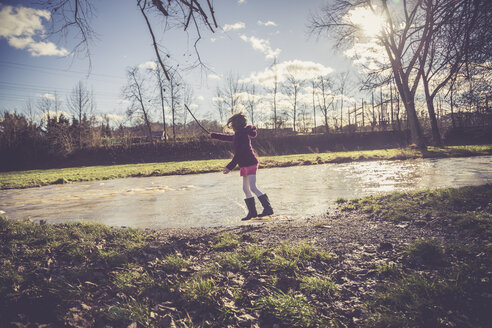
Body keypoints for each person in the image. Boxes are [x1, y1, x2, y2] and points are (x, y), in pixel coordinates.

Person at [211, 113, 273, 220]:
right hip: (245, 164)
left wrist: (229, 167)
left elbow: (238, 154)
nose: (231, 127)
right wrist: (214, 135)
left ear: (235, 125)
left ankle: (268, 209)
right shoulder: (239, 135)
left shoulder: (241, 136)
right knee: (245, 188)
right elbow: (229, 137)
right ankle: (252, 213)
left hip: (250, 163)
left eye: (232, 124)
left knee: (253, 187)